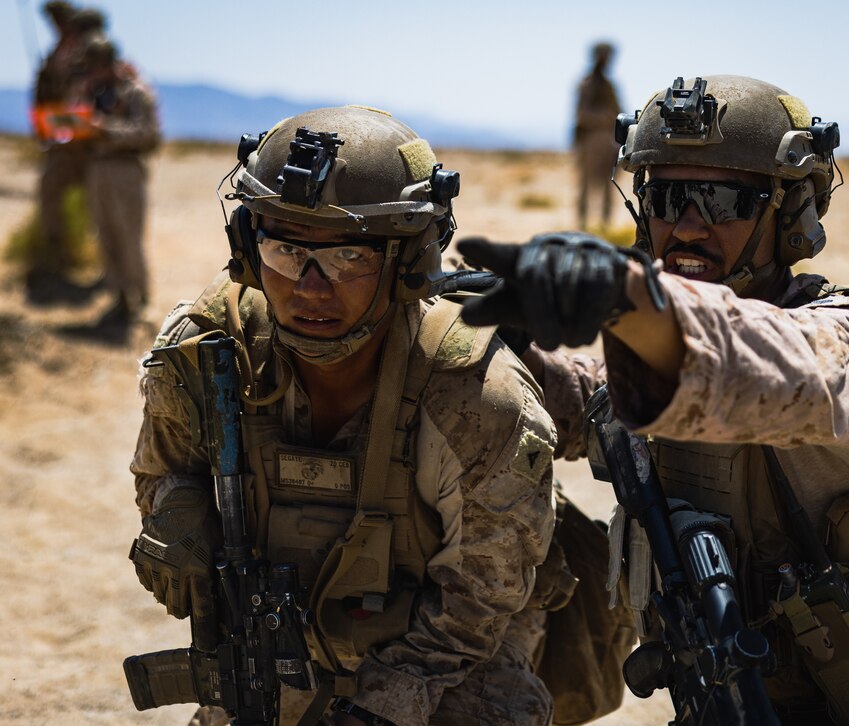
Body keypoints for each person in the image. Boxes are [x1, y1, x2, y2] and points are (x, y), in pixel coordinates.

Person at [459, 75, 849, 723]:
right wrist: (484, 337)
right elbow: (592, 400)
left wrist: (625, 298)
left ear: (792, 214)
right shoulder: (659, 352)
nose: (686, 228)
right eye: (666, 196)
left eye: (723, 202)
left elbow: (767, 362)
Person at [128, 106, 557, 725]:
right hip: (276, 655)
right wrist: (176, 508)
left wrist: (376, 709)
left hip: (441, 665)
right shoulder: (206, 354)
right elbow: (158, 471)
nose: (310, 287)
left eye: (348, 259)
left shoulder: (474, 397)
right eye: (283, 250)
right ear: (248, 248)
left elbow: (477, 607)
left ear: (408, 262)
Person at [78, 36, 160, 326]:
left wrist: (105, 129)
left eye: (96, 66)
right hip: (97, 169)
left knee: (128, 236)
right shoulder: (93, 95)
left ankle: (139, 300)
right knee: (106, 234)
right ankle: (119, 296)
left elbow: (147, 133)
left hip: (125, 169)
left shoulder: (135, 92)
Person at [27, 1, 97, 297]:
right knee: (50, 190)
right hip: (62, 143)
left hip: (93, 146)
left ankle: (108, 267)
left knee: (101, 205)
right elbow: (44, 94)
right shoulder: (55, 55)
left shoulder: (90, 52)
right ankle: (55, 257)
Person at [572, 41, 621, 230]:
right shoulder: (587, 84)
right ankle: (582, 224)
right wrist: (604, 119)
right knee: (586, 183)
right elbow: (581, 114)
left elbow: (617, 110)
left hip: (607, 140)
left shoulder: (608, 85)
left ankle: (605, 224)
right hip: (591, 140)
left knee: (609, 182)